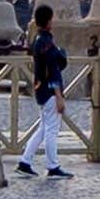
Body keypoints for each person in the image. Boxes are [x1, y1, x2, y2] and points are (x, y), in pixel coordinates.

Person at [17, 12, 75, 178]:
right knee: (51, 130)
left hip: (39, 88)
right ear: (49, 21)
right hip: (50, 91)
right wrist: (58, 95)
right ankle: (53, 165)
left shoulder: (37, 40)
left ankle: (25, 161)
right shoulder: (48, 43)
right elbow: (54, 71)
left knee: (43, 128)